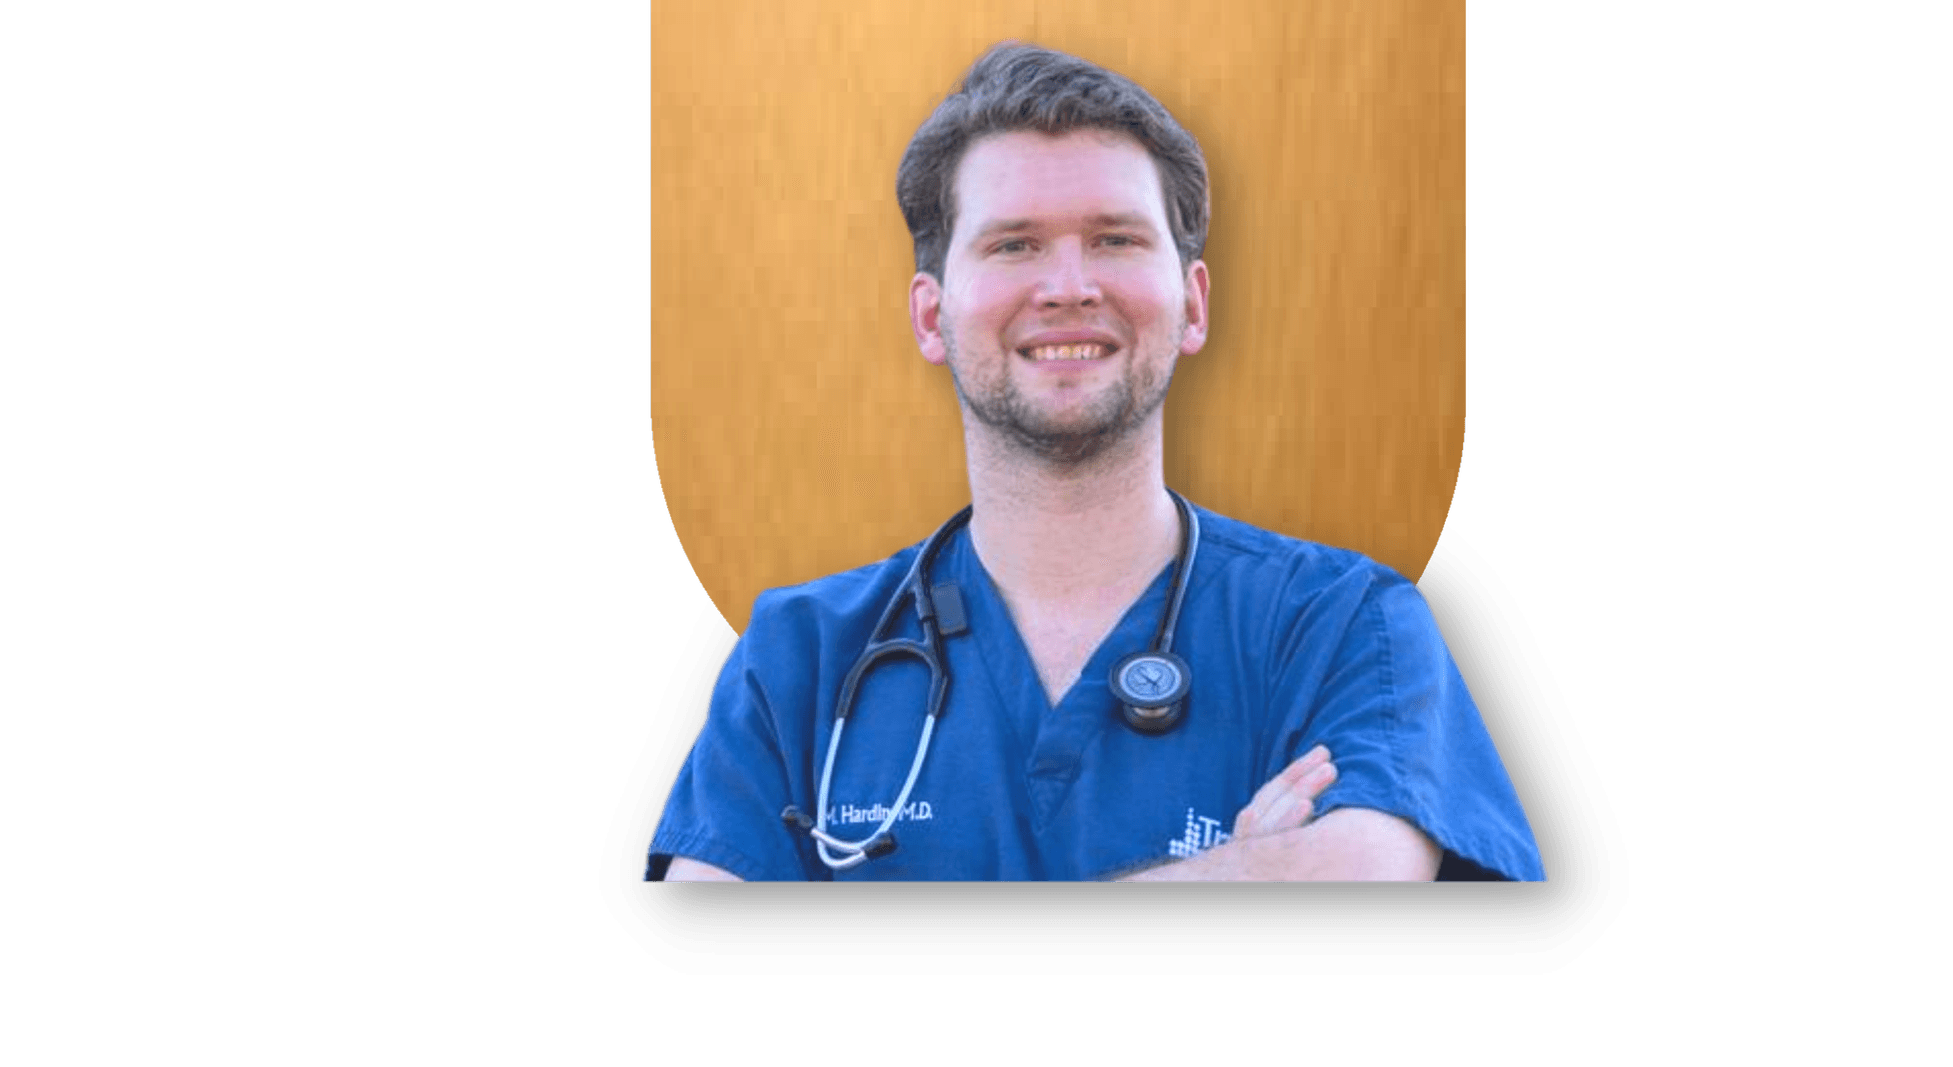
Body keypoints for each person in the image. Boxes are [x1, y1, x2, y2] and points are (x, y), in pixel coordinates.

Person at [646, 43, 1544, 882]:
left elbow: (1366, 882)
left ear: (1193, 304)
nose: (1069, 287)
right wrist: (1238, 878)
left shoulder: (1342, 624)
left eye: (1116, 239)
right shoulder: (798, 657)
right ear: (930, 316)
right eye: (1014, 244)